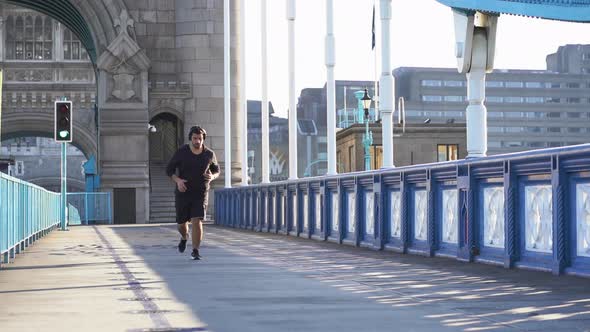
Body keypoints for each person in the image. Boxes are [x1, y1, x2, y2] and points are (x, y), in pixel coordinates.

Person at [166, 125, 220, 260]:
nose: (198, 141)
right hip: (183, 192)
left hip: (200, 193)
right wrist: (178, 181)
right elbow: (169, 170)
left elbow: (217, 170)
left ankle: (195, 251)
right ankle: (184, 237)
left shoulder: (209, 154)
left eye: (200, 139)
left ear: (203, 139)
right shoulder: (182, 152)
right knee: (181, 224)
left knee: (197, 220)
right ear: (190, 138)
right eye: (195, 138)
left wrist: (212, 177)